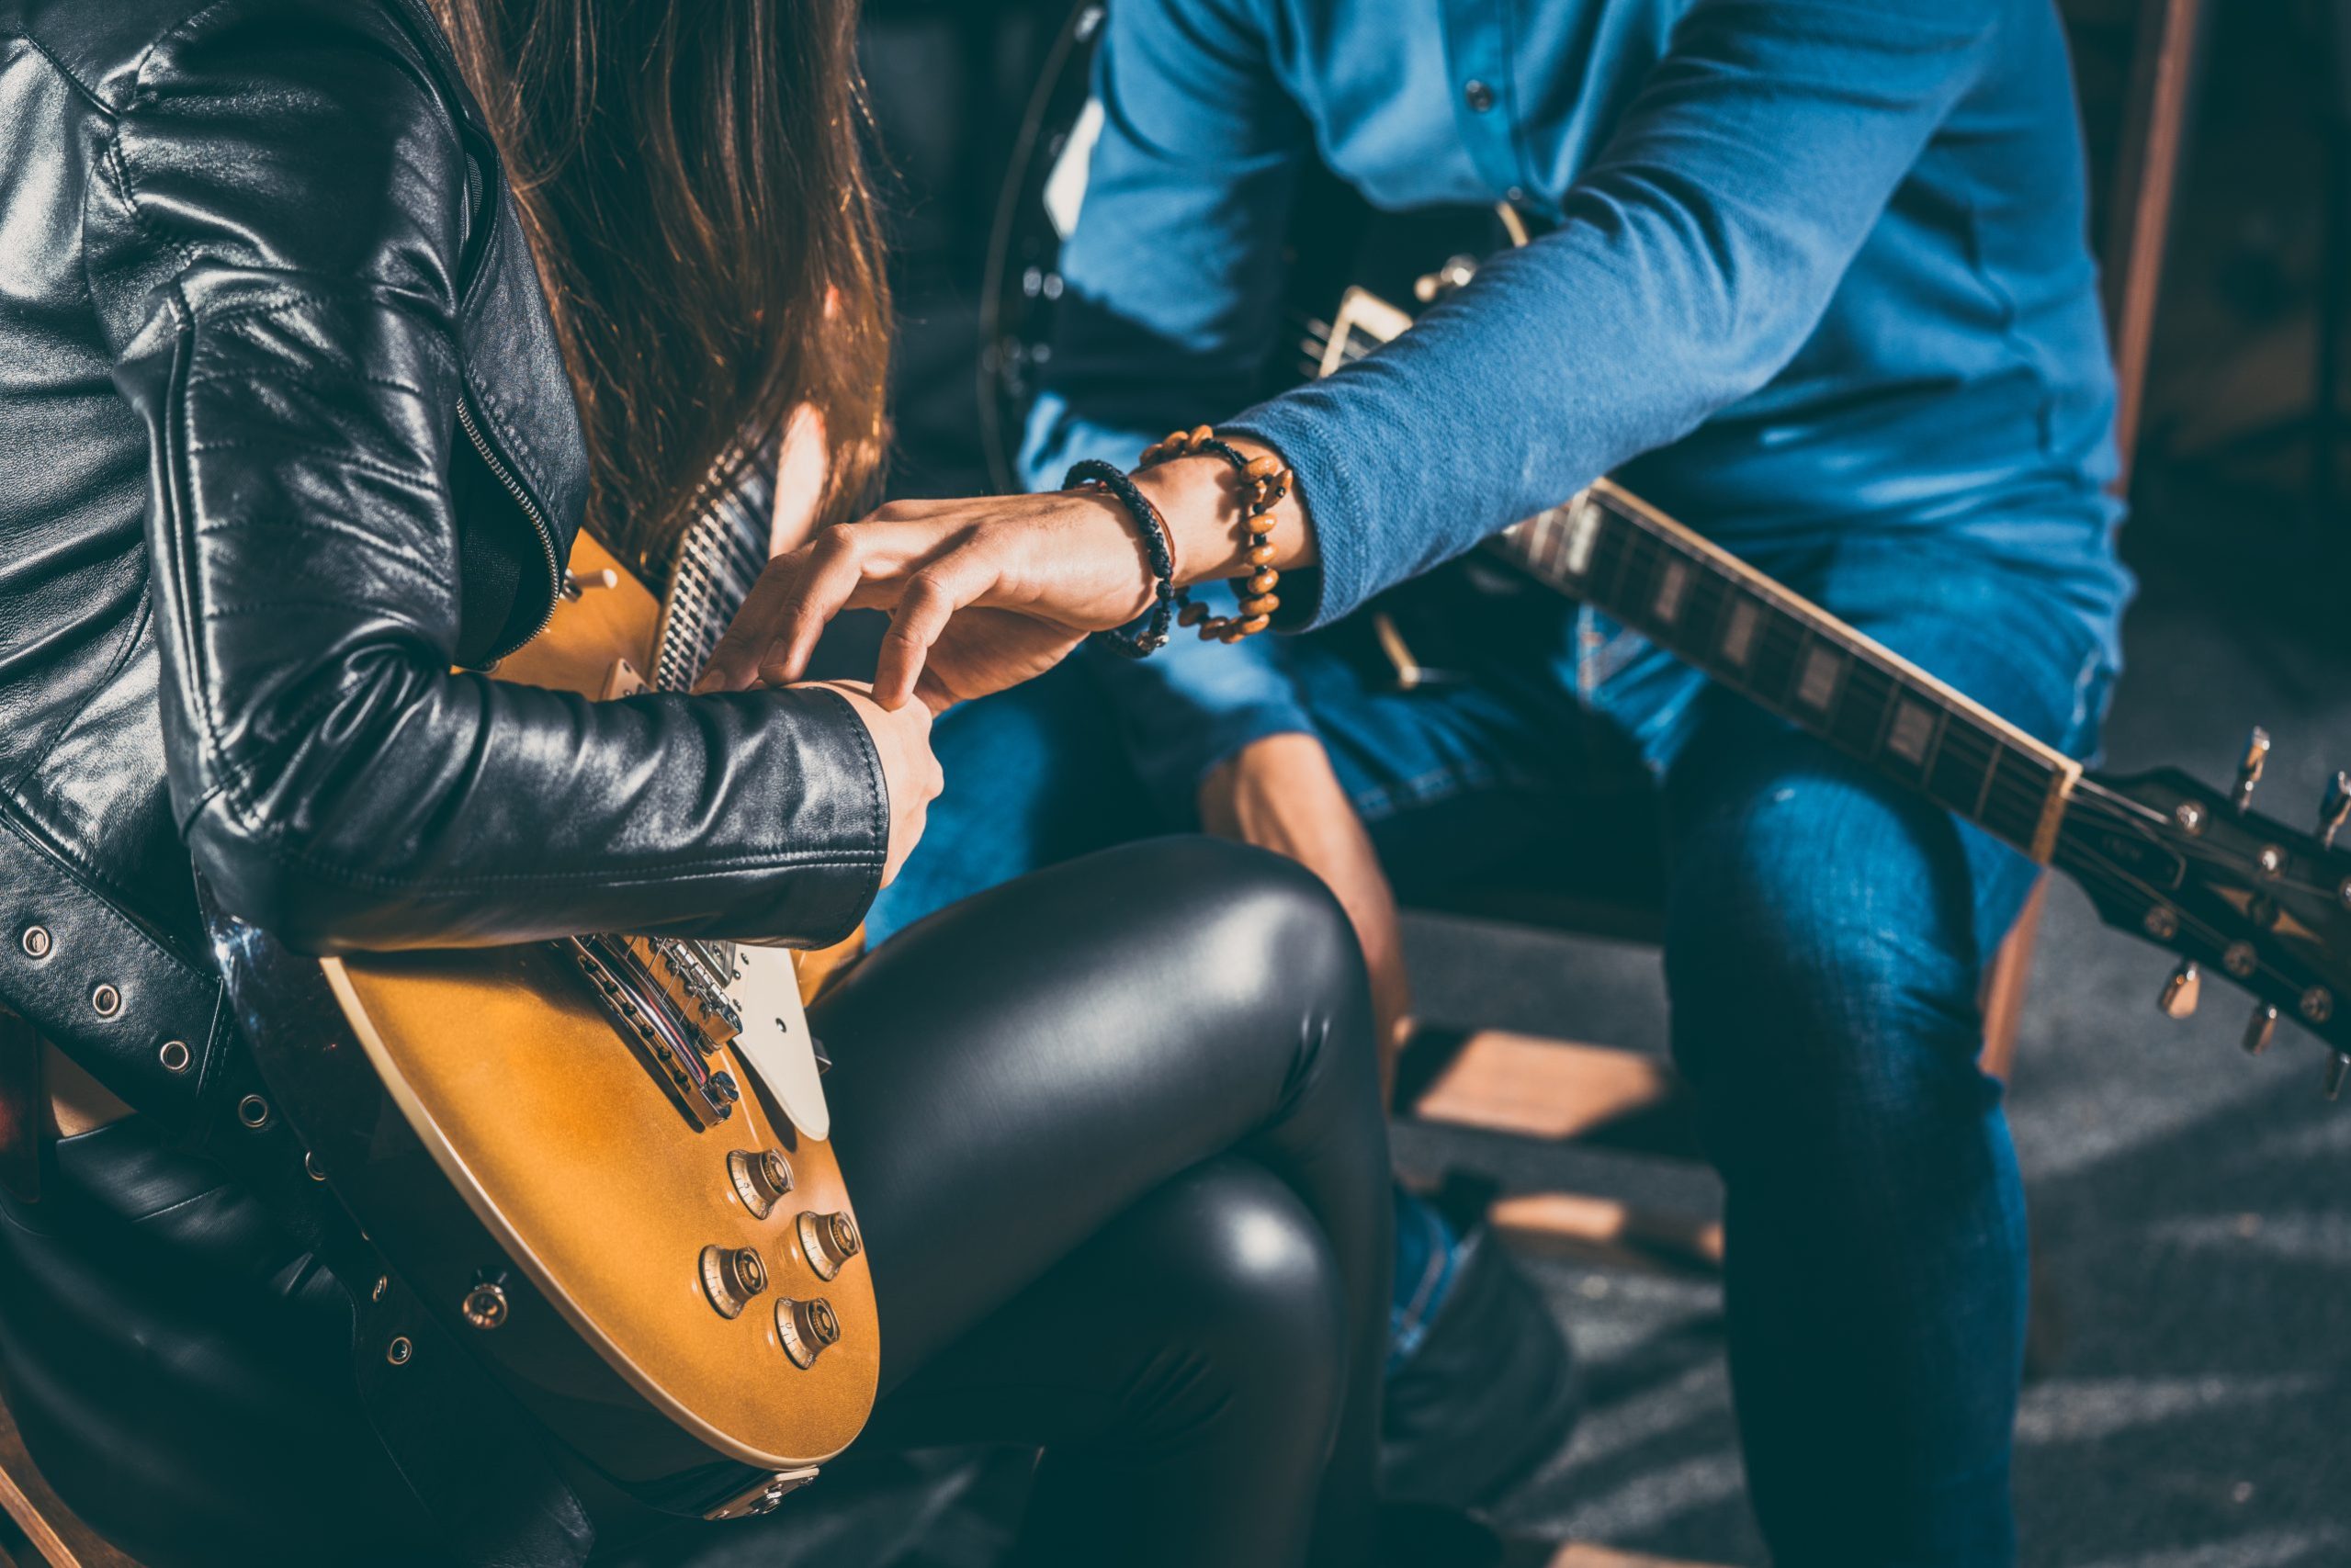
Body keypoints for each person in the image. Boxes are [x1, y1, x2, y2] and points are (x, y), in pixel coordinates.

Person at [0, 3, 1450, 1564]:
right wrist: (833, 778)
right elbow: (313, 779)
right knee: (1271, 945)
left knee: (1238, 1288)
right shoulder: (273, 66)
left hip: (215, 1145)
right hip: (278, 1243)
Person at [699, 0, 2136, 1561]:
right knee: (899, 853)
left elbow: (1678, 268)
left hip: (1890, 557)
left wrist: (1176, 528)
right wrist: (1245, 738)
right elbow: (1126, 356)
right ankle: (1418, 1328)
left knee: (1826, 953)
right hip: (1457, 572)